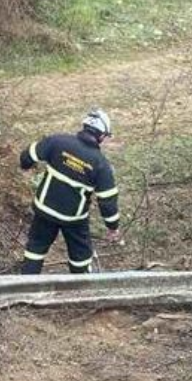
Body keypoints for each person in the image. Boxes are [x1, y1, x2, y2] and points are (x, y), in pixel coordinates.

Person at [19, 108, 121, 274]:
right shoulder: (101, 165)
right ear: (101, 136)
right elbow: (107, 200)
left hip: (44, 210)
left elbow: (28, 154)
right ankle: (80, 290)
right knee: (81, 256)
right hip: (74, 219)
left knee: (35, 248)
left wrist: (25, 166)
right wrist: (112, 227)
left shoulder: (58, 141)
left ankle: (25, 285)